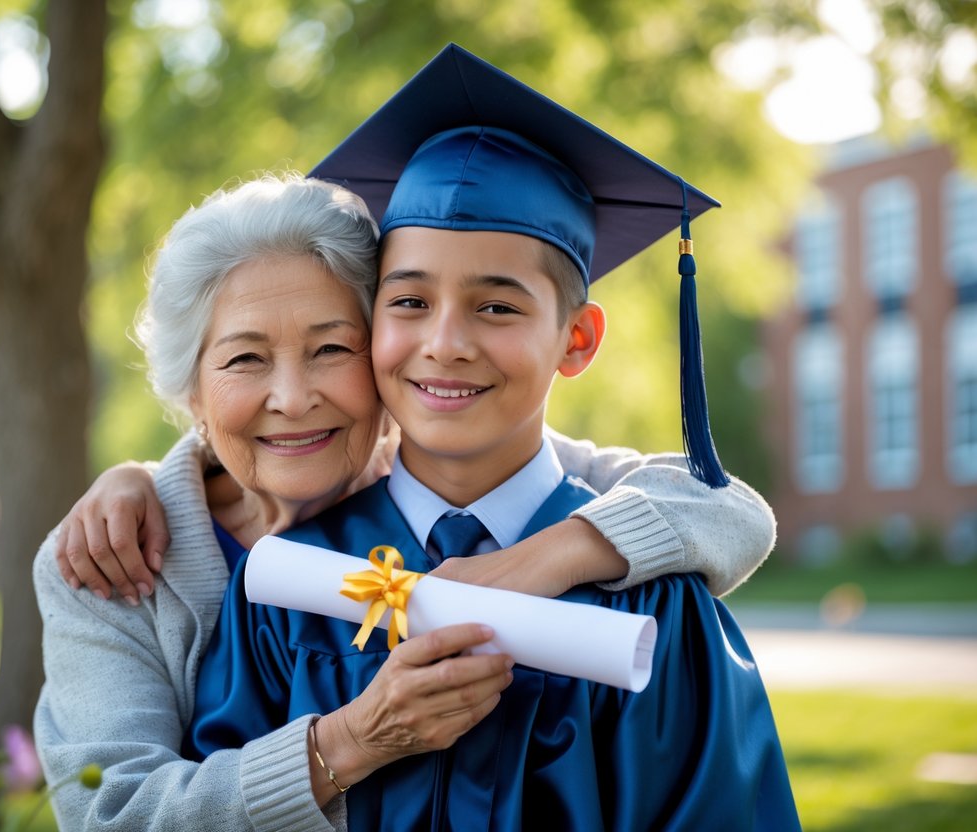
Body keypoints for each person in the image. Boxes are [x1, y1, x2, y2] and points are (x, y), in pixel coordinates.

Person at [185, 45, 799, 830]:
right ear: (370, 325)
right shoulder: (294, 585)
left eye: (497, 307)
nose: (444, 343)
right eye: (408, 302)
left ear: (576, 340)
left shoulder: (655, 602)